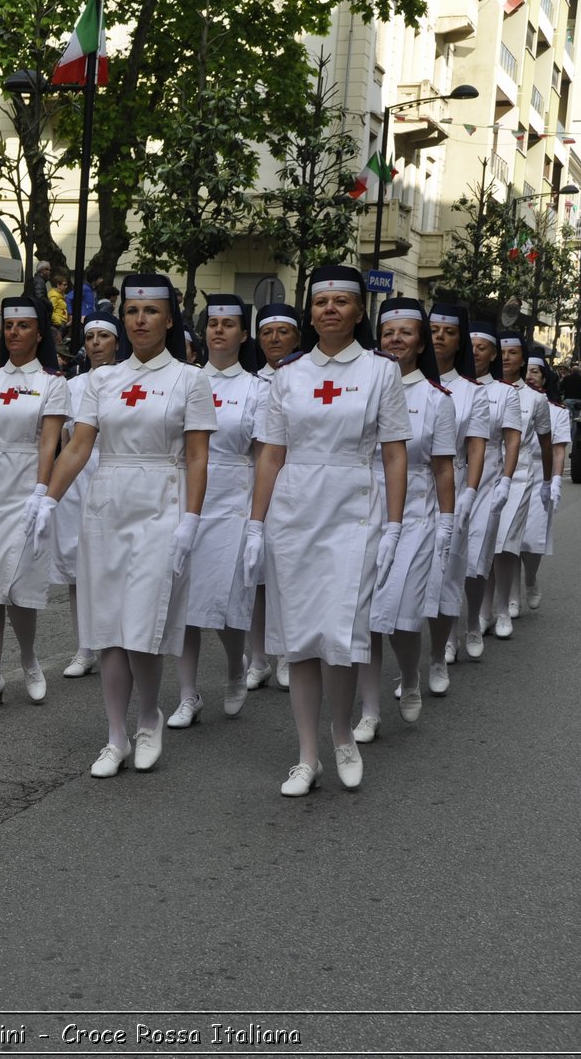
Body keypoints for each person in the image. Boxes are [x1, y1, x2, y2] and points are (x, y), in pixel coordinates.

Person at [29, 273, 216, 778]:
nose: (139, 320)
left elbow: (198, 456)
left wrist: (191, 519)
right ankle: (116, 734)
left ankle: (149, 718)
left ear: (169, 318)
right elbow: (80, 445)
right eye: (133, 311)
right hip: (107, 504)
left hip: (163, 501)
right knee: (108, 624)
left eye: (151, 311)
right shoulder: (102, 381)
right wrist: (48, 498)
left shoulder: (190, 379)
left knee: (142, 626)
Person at [244, 265, 410, 796]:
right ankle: (307, 756)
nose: (330, 309)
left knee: (340, 632)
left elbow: (394, 454)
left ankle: (343, 736)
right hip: (293, 513)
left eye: (342, 301)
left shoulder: (381, 372)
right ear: (309, 312)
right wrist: (255, 522)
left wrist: (396, 525)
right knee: (299, 638)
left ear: (360, 312)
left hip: (352, 510)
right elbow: (270, 454)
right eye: (321, 303)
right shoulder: (287, 375)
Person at [0, 295, 70, 709]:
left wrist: (42, 492)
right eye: (9, 327)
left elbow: (49, 442)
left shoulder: (52, 384)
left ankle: (29, 658)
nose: (14, 333)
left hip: (26, 485)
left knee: (21, 584)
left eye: (23, 326)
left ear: (39, 333)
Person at [352, 299, 456, 741]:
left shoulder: (436, 400)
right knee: (366, 616)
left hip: (415, 516)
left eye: (406, 332)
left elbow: (443, 468)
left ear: (420, 342)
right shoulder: (362, 388)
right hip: (361, 509)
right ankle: (370, 710)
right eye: (388, 332)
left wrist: (447, 523)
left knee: (401, 615)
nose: (396, 340)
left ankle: (410, 675)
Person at [169, 294, 269, 727]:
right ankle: (188, 694)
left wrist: (257, 520)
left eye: (229, 324)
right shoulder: (186, 381)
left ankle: (234, 667)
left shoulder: (258, 389)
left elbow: (264, 455)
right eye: (212, 323)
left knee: (225, 604)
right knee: (183, 601)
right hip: (185, 495)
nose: (219, 330)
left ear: (243, 334)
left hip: (232, 498)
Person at [51, 310, 122, 679]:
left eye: (103, 336)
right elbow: (65, 440)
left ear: (116, 341)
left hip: (111, 469)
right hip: (77, 477)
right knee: (76, 563)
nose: (96, 343)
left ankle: (113, 639)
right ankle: (84, 647)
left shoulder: (126, 380)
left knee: (108, 563)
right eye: (91, 336)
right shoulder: (73, 386)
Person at [422, 300, 488, 695]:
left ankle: (438, 654)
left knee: (446, 572)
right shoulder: (401, 381)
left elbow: (477, 447)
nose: (440, 338)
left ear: (459, 339)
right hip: (408, 486)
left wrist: (470, 492)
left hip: (454, 484)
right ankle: (413, 661)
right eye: (434, 331)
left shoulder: (471, 391)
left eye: (448, 332)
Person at [453, 320, 522, 663]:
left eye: (484, 348)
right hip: (452, 475)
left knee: (476, 558)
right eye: (473, 346)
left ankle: (474, 622)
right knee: (449, 557)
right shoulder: (451, 387)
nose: (477, 352)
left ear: (493, 354)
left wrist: (506, 481)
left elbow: (511, 440)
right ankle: (447, 636)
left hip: (488, 478)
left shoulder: (504, 393)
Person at [244, 302, 302, 693]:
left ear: (297, 337)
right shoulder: (251, 383)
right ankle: (258, 657)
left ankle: (288, 654)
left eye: (282, 332)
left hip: (297, 485)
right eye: (267, 332)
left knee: (288, 575)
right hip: (253, 484)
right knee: (255, 578)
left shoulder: (304, 378)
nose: (274, 339)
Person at [486, 332, 553, 639]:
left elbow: (546, 441)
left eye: (513, 353)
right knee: (483, 545)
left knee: (505, 543)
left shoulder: (536, 399)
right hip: (485, 472)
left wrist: (549, 481)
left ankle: (503, 608)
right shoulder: (483, 391)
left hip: (521, 477)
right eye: (503, 352)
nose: (507, 357)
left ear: (522, 359)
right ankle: (482, 610)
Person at [518, 356, 568, 610]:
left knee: (531, 539)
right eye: (526, 371)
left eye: (535, 372)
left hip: (541, 475)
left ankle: (530, 579)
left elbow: (558, 451)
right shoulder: (510, 402)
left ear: (544, 378)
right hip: (514, 471)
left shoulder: (557, 411)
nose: (529, 376)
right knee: (507, 536)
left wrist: (555, 482)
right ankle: (510, 597)